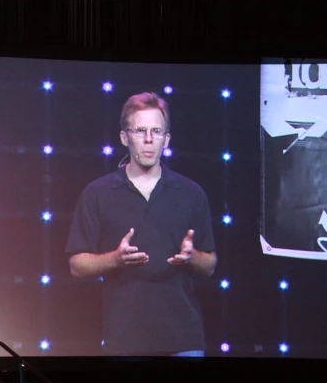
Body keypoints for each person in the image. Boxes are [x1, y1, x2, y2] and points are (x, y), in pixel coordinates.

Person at [66, 91, 217, 356]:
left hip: (183, 342)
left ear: (166, 139)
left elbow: (210, 266)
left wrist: (192, 257)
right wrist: (115, 259)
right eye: (140, 131)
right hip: (124, 341)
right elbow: (77, 266)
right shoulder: (98, 193)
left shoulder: (191, 193)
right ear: (125, 137)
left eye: (157, 131)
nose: (149, 140)